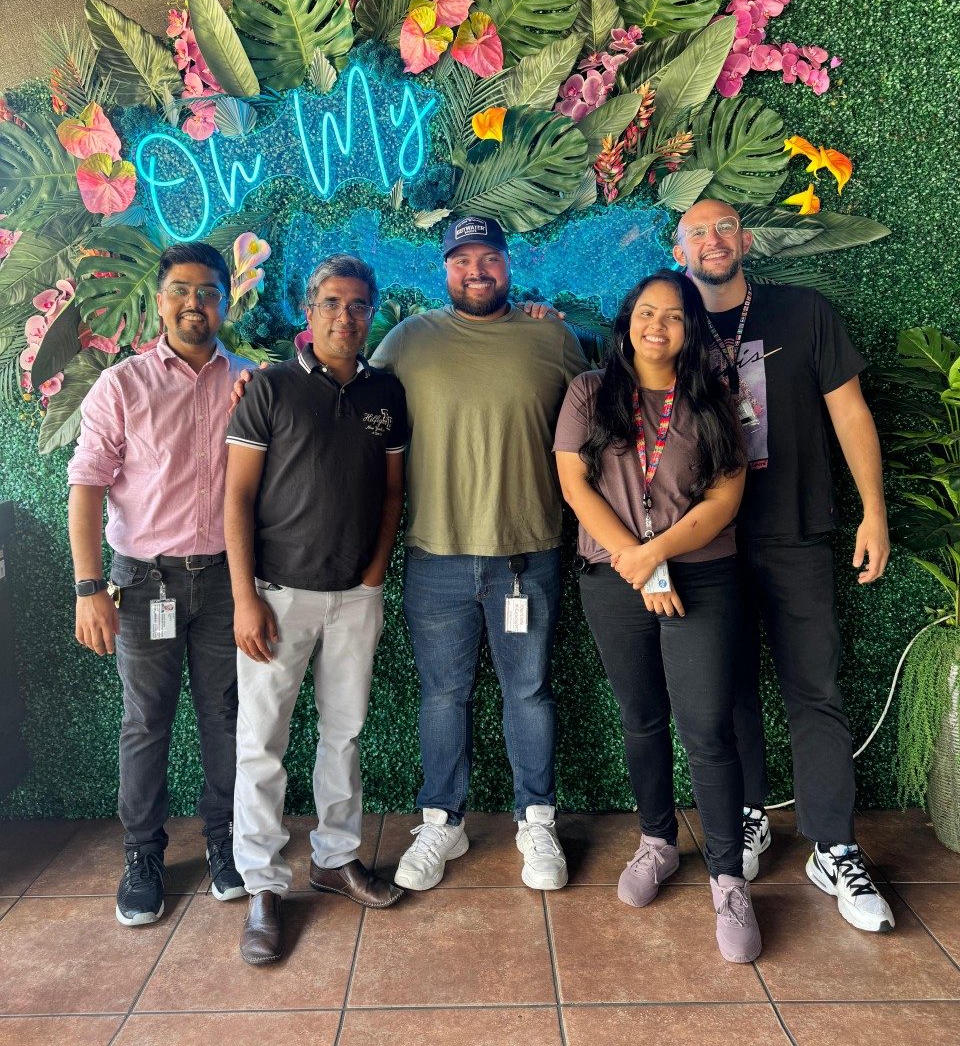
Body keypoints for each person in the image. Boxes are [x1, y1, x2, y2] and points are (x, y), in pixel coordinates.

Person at [672, 198, 894, 934]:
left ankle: (833, 845)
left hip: (796, 530)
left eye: (723, 226)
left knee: (815, 689)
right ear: (680, 250)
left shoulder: (805, 313)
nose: (712, 239)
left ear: (746, 240)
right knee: (725, 688)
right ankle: (748, 813)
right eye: (697, 231)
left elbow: (851, 412)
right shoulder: (666, 323)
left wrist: (874, 511)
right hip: (706, 540)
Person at [369, 215, 589, 892]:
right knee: (443, 695)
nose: (476, 271)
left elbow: (599, 416)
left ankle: (537, 820)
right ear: (445, 270)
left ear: (507, 263)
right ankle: (443, 821)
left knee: (529, 691)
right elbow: (349, 406)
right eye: (462, 261)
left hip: (530, 553)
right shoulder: (408, 341)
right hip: (435, 555)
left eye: (487, 258)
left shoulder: (551, 337)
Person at [555, 269, 761, 963]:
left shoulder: (715, 396)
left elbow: (724, 502)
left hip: (701, 575)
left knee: (706, 729)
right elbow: (574, 486)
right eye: (647, 312)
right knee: (640, 717)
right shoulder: (589, 392)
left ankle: (729, 879)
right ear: (627, 320)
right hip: (613, 578)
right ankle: (656, 843)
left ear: (689, 330)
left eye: (673, 317)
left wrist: (658, 557)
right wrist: (636, 563)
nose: (658, 326)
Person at [225, 254, 407, 965]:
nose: (345, 316)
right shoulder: (268, 388)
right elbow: (236, 498)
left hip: (354, 598)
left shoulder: (385, 392)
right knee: (262, 744)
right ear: (309, 310)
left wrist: (372, 577)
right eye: (332, 302)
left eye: (359, 305)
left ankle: (335, 859)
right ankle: (264, 887)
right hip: (276, 596)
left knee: (346, 733)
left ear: (372, 315)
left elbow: (392, 493)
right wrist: (245, 597)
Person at [68, 242, 252, 926]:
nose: (194, 303)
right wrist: (90, 588)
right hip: (144, 584)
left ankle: (225, 842)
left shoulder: (252, 381)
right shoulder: (121, 386)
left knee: (226, 717)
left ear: (227, 302)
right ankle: (143, 856)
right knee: (145, 723)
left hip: (229, 581)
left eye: (208, 291)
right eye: (180, 290)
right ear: (158, 300)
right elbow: (85, 488)